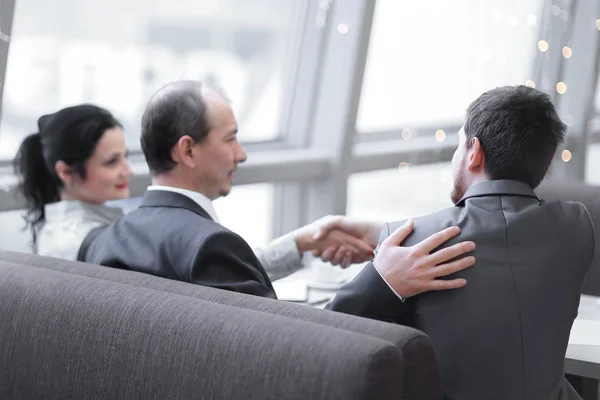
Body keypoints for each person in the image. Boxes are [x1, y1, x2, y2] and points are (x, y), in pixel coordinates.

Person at [84, 80, 476, 300]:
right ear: (187, 150)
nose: (242, 155)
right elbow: (287, 352)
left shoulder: (103, 242)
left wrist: (302, 242)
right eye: (231, 139)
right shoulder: (210, 246)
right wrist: (383, 281)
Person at [323, 85, 594, 399]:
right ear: (546, 162)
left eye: (458, 147)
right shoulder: (576, 227)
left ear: (474, 152)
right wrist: (382, 232)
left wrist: (383, 279)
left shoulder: (413, 241)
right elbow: (501, 231)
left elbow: (325, 338)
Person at [13, 104, 132, 260]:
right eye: (111, 162)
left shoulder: (62, 233)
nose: (128, 171)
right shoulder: (81, 242)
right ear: (66, 172)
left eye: (126, 157)